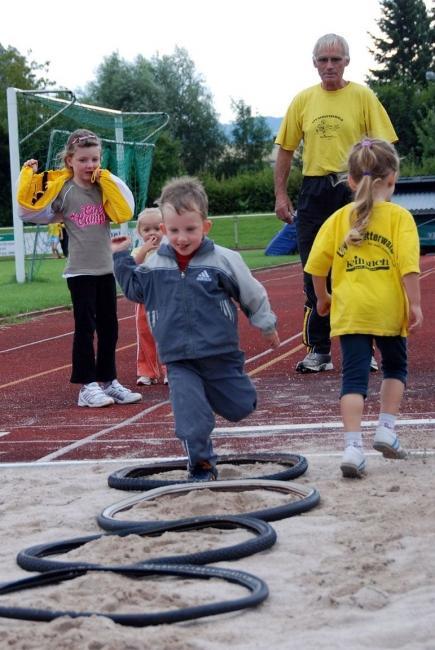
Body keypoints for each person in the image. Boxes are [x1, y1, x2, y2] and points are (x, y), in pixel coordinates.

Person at [111, 176, 280, 481]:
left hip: (221, 354)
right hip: (178, 358)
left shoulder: (224, 260)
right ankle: (201, 463)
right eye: (174, 231)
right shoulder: (154, 266)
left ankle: (212, 395)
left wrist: (266, 325)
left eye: (190, 229)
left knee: (242, 406)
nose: (182, 238)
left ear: (206, 226)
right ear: (163, 231)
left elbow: (251, 292)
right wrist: (121, 257)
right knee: (191, 418)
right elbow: (134, 290)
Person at [274, 33, 397, 373]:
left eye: (336, 59)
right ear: (314, 63)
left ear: (347, 62)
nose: (330, 66)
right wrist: (281, 195)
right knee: (315, 270)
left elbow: (384, 148)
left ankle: (366, 349)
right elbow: (285, 150)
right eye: (323, 60)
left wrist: (380, 191)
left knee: (363, 268)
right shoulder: (303, 101)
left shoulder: (362, 97)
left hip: (354, 187)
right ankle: (319, 350)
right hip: (314, 190)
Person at [304, 138, 423, 478]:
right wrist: (414, 304)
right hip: (386, 307)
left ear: (351, 180)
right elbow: (408, 266)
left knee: (353, 379)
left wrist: (322, 298)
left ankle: (353, 448)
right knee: (395, 367)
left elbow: (315, 266)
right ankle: (386, 428)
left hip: (350, 310)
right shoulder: (400, 218)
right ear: (393, 177)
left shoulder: (339, 218)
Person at [18, 129, 142, 408]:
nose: (90, 165)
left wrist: (108, 177)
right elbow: (26, 209)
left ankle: (109, 381)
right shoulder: (64, 190)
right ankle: (87, 386)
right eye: (84, 159)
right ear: (70, 160)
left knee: (110, 328)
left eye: (95, 159)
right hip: (80, 271)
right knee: (85, 328)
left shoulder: (104, 189)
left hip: (104, 269)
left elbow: (126, 208)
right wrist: (26, 175)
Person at [132, 207, 167, 386]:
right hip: (145, 301)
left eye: (157, 228)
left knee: (168, 335)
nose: (152, 233)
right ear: (139, 232)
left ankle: (171, 369)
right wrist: (145, 250)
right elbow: (134, 266)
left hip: (167, 300)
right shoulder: (138, 252)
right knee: (145, 335)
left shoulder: (170, 249)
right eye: (147, 230)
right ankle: (147, 372)